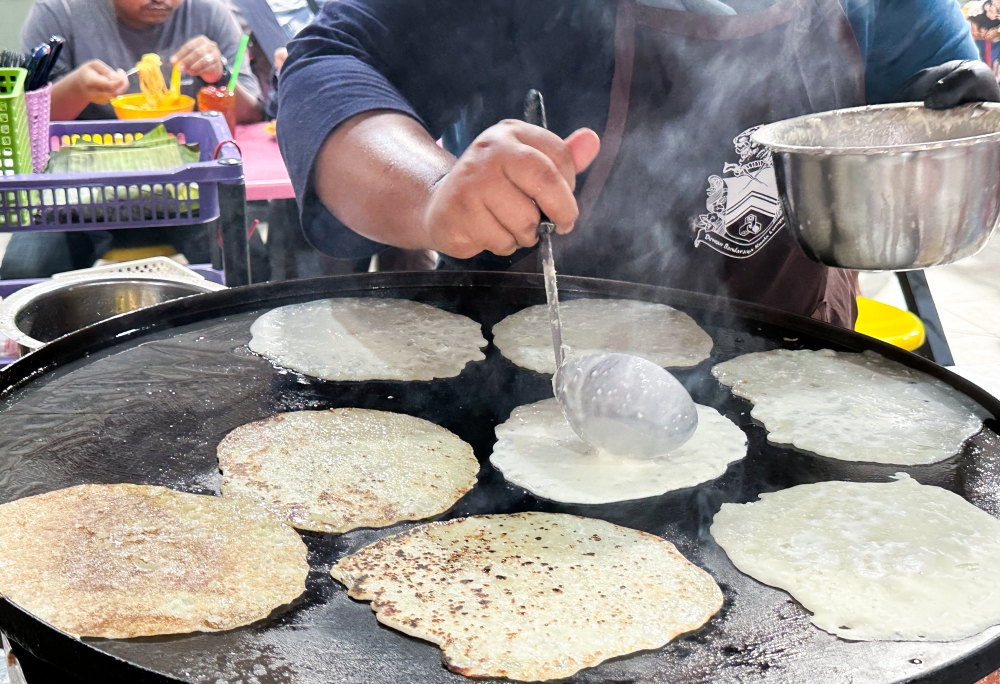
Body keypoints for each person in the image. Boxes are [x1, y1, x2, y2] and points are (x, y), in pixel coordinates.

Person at [277, 0, 999, 329]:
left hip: (790, 368)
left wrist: (966, 131)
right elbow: (330, 61)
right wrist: (433, 191)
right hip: (527, 386)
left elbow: (934, 118)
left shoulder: (887, 8)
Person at [0, 0, 265, 279]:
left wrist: (218, 75)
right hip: (74, 194)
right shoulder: (60, 11)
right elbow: (26, 121)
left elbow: (253, 113)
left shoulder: (210, 12)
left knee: (250, 263)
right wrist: (76, 88)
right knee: (22, 273)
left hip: (186, 191)